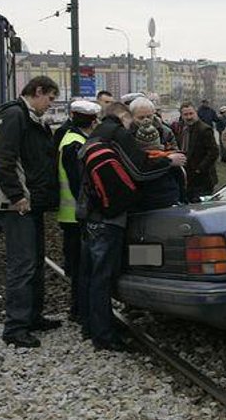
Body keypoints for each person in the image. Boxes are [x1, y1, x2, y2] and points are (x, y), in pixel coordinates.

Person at [77, 102, 186, 351]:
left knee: (93, 274)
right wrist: (168, 162)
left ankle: (91, 325)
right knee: (103, 276)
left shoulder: (96, 135)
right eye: (133, 119)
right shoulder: (117, 133)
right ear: (124, 116)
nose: (134, 126)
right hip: (108, 217)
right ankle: (104, 336)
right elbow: (139, 171)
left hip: (91, 212)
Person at [0, 75, 62, 349]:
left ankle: (32, 317)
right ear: (38, 91)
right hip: (18, 204)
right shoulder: (15, 116)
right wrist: (17, 195)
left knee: (34, 262)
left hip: (31, 203)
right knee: (22, 264)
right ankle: (16, 327)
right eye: (50, 98)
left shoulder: (30, 118)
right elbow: (3, 159)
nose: (50, 105)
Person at [56, 100, 101, 324]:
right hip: (76, 214)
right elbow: (78, 183)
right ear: (92, 122)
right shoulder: (76, 143)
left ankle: (79, 308)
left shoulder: (72, 138)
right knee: (80, 266)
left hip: (71, 213)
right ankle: (79, 310)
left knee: (78, 265)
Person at [130, 97, 184, 208]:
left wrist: (162, 154)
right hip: (140, 187)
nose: (146, 120)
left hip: (165, 184)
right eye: (141, 117)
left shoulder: (165, 131)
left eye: (149, 116)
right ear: (132, 117)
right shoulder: (128, 134)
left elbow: (176, 153)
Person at [178, 101, 219, 201]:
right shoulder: (183, 129)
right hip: (189, 177)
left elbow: (214, 152)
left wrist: (199, 169)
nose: (189, 117)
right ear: (182, 116)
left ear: (196, 113)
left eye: (191, 113)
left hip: (203, 178)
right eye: (186, 114)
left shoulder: (204, 129)